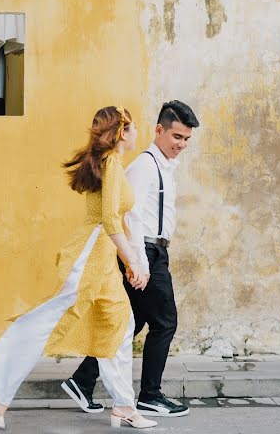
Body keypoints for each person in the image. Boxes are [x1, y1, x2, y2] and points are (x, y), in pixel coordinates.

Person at [0, 106, 157, 430]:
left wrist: (129, 263)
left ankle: (124, 405)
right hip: (90, 257)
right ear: (123, 131)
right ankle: (0, 390)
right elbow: (110, 221)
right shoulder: (111, 164)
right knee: (44, 319)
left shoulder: (112, 164)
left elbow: (118, 223)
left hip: (103, 258)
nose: (138, 132)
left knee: (119, 324)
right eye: (134, 127)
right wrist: (133, 263)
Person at [62, 100, 199, 418]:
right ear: (159, 130)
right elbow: (130, 217)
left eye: (186, 139)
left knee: (130, 323)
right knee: (165, 323)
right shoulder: (145, 165)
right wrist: (139, 262)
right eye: (177, 137)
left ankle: (83, 381)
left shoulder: (164, 166)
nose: (181, 145)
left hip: (154, 251)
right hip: (146, 253)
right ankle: (150, 394)